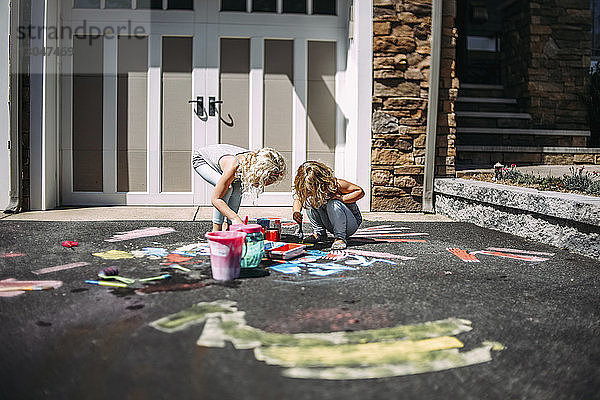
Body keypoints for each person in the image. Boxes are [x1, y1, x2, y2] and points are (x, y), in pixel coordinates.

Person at [192, 144, 286, 232]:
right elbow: (216, 199)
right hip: (202, 160)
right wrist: (235, 218)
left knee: (237, 188)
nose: (259, 185)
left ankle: (229, 228)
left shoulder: (251, 164)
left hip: (227, 163)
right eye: (260, 181)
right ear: (258, 172)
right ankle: (216, 230)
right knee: (227, 189)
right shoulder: (233, 166)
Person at [292, 161, 364, 250]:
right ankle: (320, 233)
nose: (310, 191)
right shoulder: (308, 191)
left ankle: (340, 238)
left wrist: (342, 198)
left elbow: (360, 191)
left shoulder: (336, 184)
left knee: (333, 203)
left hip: (349, 224)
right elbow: (299, 199)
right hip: (330, 222)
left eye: (312, 187)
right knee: (311, 200)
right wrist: (296, 211)